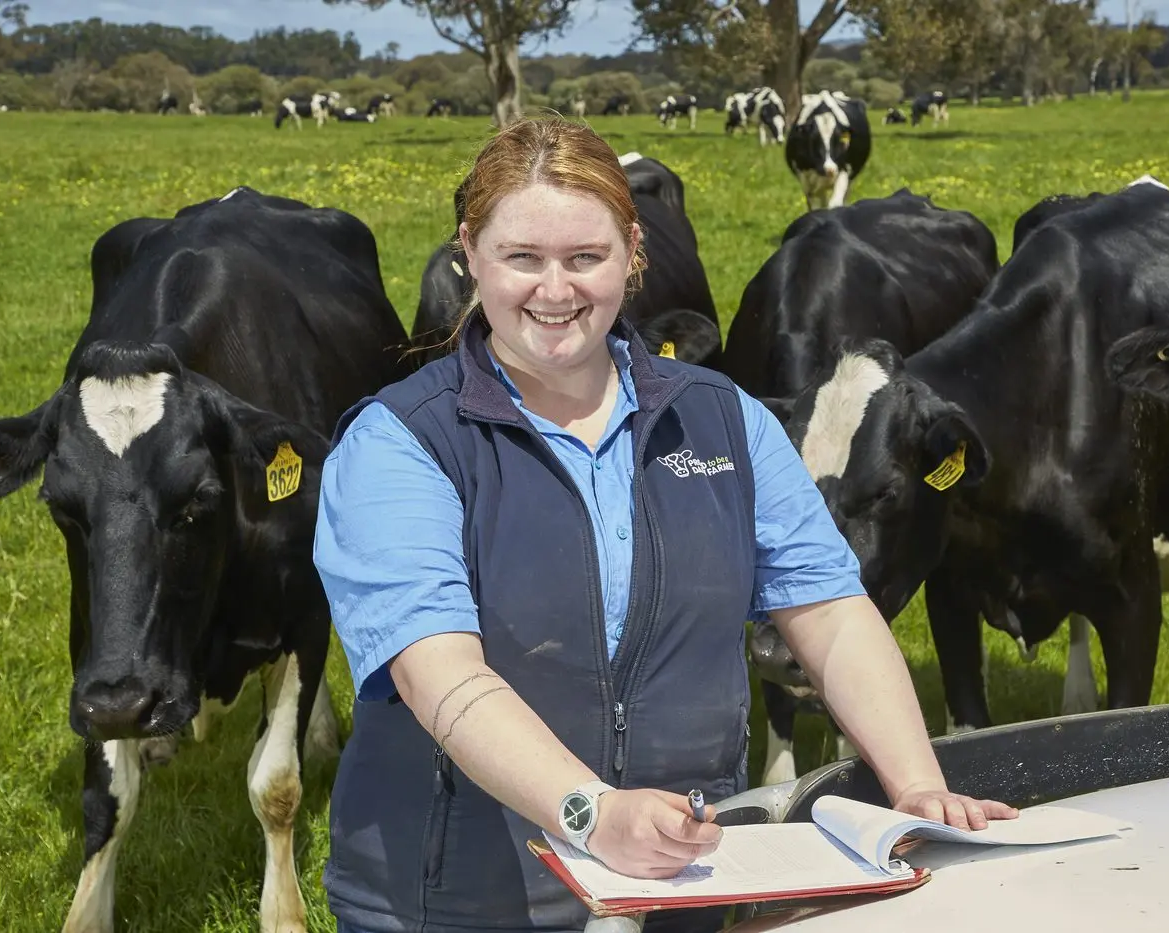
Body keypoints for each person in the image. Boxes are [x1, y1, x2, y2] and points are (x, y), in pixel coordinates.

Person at [313, 117, 1017, 933]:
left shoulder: (723, 420)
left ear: (633, 251)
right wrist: (589, 810)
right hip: (461, 900)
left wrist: (916, 784)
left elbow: (828, 610)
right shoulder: (402, 440)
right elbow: (439, 673)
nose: (554, 290)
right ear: (469, 252)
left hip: (683, 882)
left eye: (586, 257)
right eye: (521, 258)